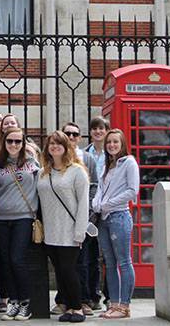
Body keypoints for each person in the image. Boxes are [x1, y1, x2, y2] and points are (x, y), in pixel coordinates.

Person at [37, 130, 89, 323]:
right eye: (51, 143)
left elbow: (83, 203)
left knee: (69, 270)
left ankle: (78, 308)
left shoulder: (77, 171)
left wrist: (80, 232)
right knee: (59, 271)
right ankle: (66, 306)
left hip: (70, 230)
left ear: (66, 147)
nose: (55, 146)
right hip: (50, 232)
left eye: (59, 143)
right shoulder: (43, 172)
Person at [0, 127, 40, 321]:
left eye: (18, 141)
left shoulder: (31, 162)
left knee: (17, 259)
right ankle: (13, 302)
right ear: (4, 142)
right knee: (6, 261)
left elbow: (39, 187)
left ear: (23, 143)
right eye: (10, 141)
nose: (13, 145)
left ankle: (26, 302)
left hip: (24, 217)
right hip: (1, 218)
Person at [53, 122, 100, 316]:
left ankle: (83, 300)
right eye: (67, 134)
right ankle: (63, 299)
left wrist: (87, 214)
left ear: (79, 138)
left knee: (81, 262)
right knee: (61, 264)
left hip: (82, 219)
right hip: (60, 221)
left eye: (75, 134)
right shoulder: (55, 161)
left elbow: (94, 186)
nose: (71, 137)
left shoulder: (87, 159)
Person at [91, 129, 138, 319]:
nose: (111, 145)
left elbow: (132, 191)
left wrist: (106, 205)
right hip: (103, 218)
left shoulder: (129, 163)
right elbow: (100, 190)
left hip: (119, 216)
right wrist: (96, 204)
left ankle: (124, 306)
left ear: (122, 144)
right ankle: (114, 304)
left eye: (115, 142)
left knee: (124, 262)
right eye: (109, 142)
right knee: (109, 264)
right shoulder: (106, 166)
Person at [83, 116, 110, 307]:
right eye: (94, 129)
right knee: (91, 254)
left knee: (108, 255)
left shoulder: (113, 154)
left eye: (101, 128)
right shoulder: (85, 154)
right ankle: (93, 295)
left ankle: (110, 296)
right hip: (90, 208)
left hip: (108, 207)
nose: (98, 132)